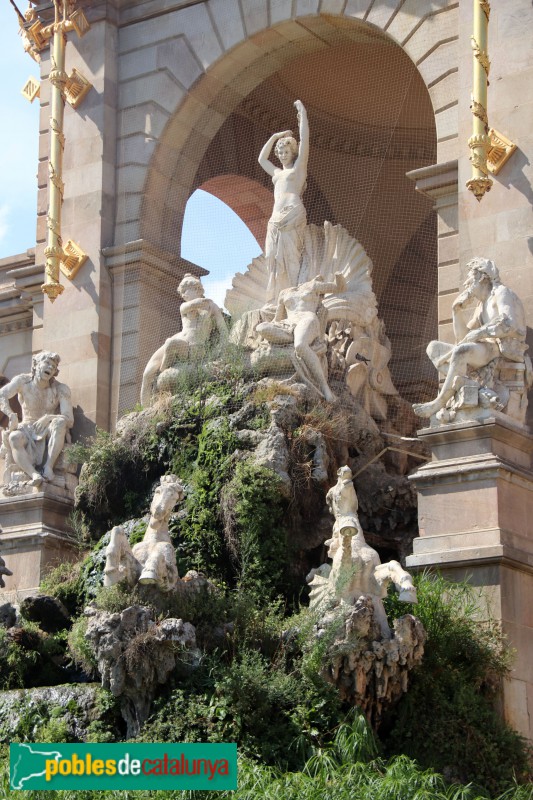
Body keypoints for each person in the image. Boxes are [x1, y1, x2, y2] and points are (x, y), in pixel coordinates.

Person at [413, 257, 529, 418]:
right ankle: (470, 385)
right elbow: (463, 338)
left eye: (470, 278)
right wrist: (456, 311)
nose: (466, 283)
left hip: (500, 349)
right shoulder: (481, 306)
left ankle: (439, 402)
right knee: (433, 348)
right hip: (485, 350)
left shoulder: (501, 293)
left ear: (482, 278)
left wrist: (481, 332)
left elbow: (510, 323)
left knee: (462, 351)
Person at [256, 272, 345, 403]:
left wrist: (338, 276)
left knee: (300, 345)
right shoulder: (284, 292)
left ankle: (325, 389)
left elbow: (338, 287)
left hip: (307, 319)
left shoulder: (313, 286)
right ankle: (295, 338)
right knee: (261, 328)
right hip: (287, 324)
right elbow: (277, 319)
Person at [140, 274, 228, 407]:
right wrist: (207, 301)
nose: (183, 295)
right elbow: (195, 304)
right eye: (181, 292)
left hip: (194, 347)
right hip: (180, 340)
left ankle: (163, 371)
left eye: (185, 291)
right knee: (147, 374)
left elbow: (223, 330)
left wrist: (221, 349)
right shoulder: (185, 306)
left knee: (170, 343)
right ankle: (145, 408)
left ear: (196, 289)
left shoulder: (212, 307)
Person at [258, 99, 309, 304]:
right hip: (275, 219)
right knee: (272, 256)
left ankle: (293, 294)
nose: (282, 155)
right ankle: (276, 297)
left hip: (292, 213)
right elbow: (262, 160)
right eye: (279, 152)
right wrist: (275, 137)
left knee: (291, 256)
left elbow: (305, 140)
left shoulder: (298, 169)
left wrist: (302, 115)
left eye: (286, 151)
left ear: (293, 152)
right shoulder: (277, 173)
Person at [0, 351, 73, 485]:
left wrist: (48, 417)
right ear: (36, 364)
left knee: (60, 422)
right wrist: (10, 415)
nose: (50, 368)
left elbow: (69, 419)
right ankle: (33, 474)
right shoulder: (22, 381)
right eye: (47, 363)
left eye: (54, 367)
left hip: (49, 428)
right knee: (14, 437)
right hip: (27, 428)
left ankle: (48, 467)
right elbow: (2, 395)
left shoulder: (61, 389)